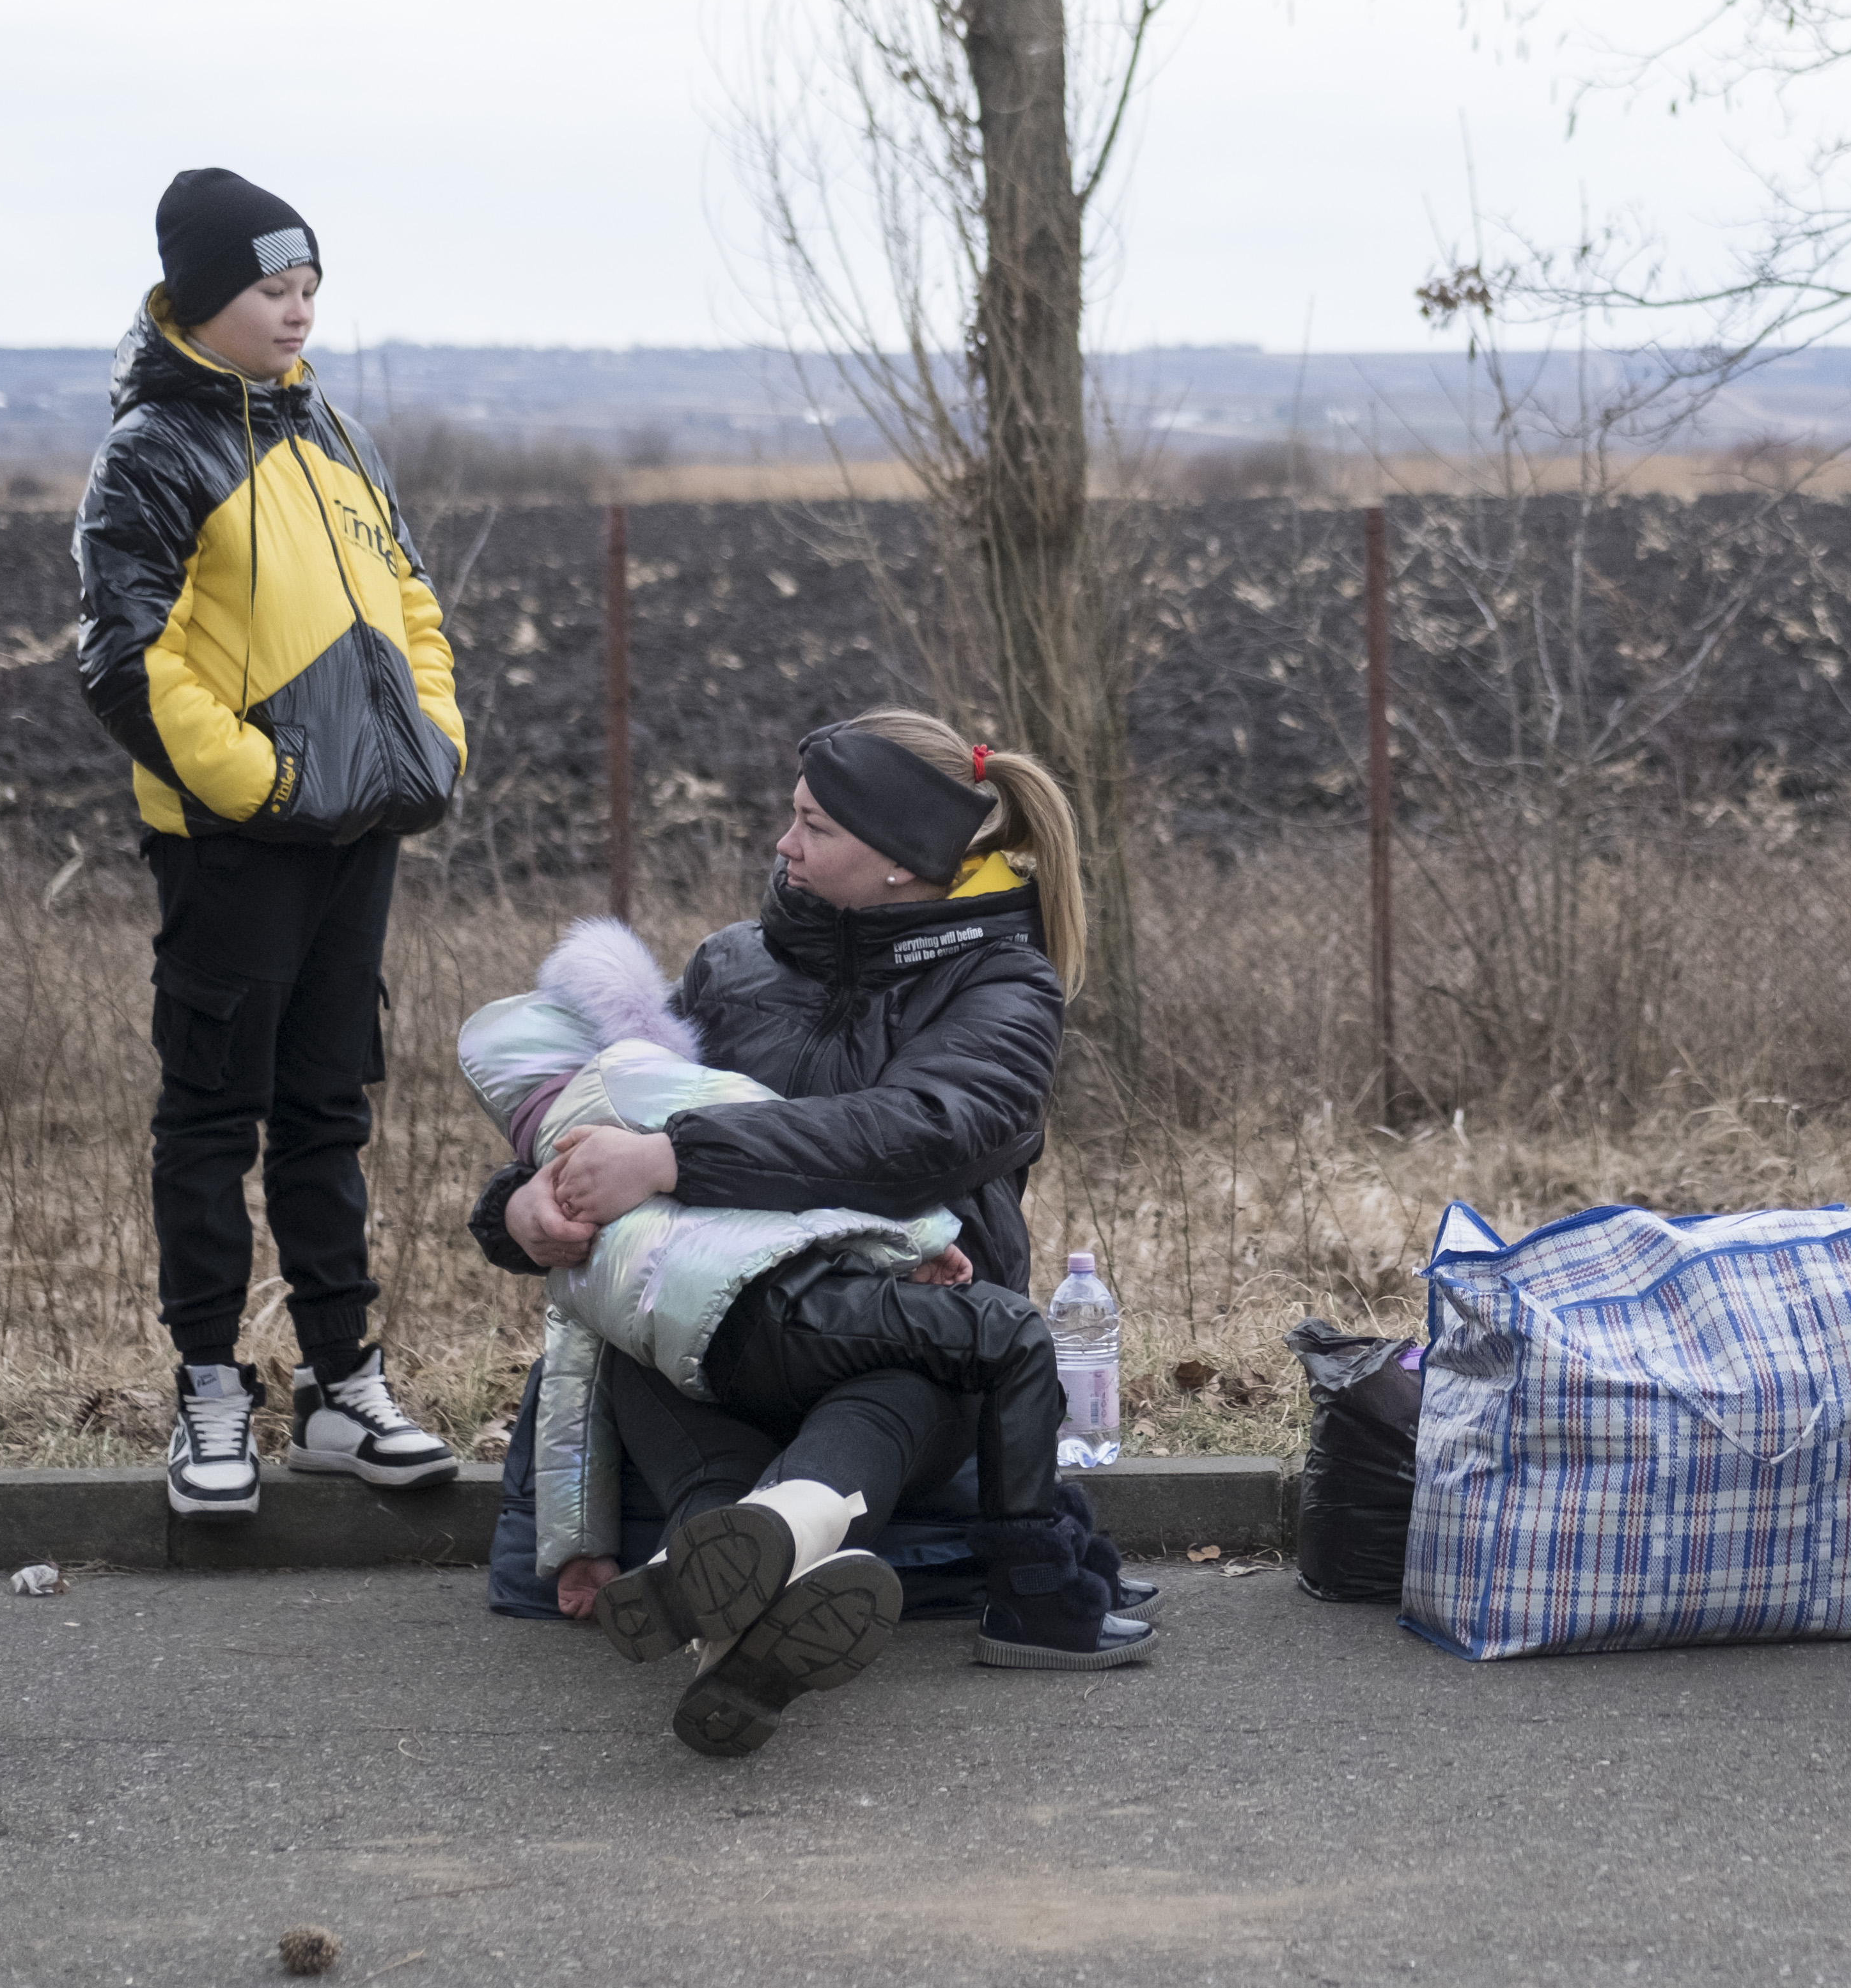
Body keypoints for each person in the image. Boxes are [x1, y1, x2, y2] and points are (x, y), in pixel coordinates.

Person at [465, 708, 1152, 1759]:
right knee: (646, 1331)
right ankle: (744, 1592)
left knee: (902, 1380)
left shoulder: (1005, 989)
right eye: (791, 818)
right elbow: (608, 1104)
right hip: (713, 1321)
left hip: (897, 1319)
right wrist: (523, 1210)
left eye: (814, 826)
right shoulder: (733, 963)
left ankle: (762, 1546)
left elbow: (917, 1134)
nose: (782, 846)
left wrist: (672, 1161)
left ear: (901, 865)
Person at [72, 168, 467, 1521]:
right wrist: (262, 781)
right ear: (199, 298)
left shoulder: (331, 431)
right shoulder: (153, 452)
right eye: (270, 290)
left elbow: (410, 595)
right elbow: (126, 659)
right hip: (236, 846)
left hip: (358, 833)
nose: (298, 311)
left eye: (308, 289)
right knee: (208, 1115)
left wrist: (434, 739)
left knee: (326, 1111)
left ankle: (343, 1385)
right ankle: (208, 1389)